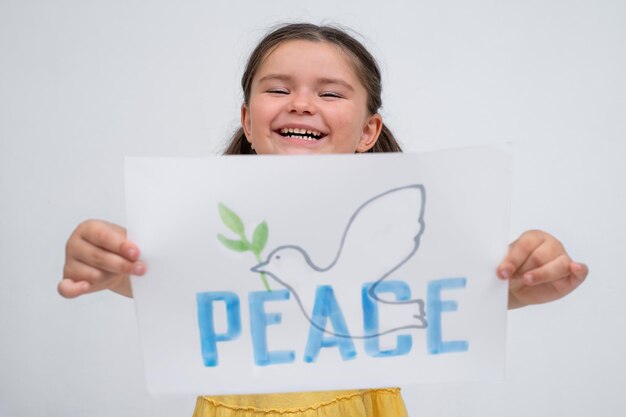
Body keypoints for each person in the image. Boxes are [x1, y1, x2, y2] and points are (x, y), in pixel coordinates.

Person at [59, 23, 588, 417]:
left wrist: (522, 284)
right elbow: (161, 283)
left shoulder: (406, 217)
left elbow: (447, 296)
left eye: (330, 93)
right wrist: (105, 264)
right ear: (247, 120)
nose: (302, 104)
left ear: (367, 130)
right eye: (278, 89)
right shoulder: (201, 226)